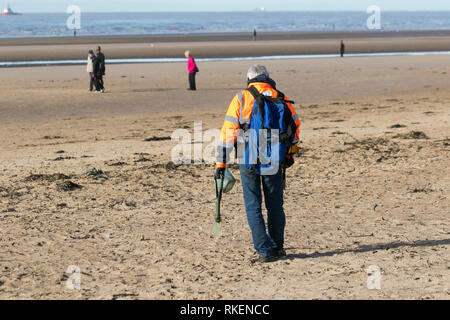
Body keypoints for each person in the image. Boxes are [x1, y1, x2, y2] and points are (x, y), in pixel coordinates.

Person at [215, 65, 301, 263]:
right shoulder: (279, 96)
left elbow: (228, 131)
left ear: (248, 79)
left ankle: (263, 250)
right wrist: (289, 154)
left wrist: (221, 164)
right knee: (275, 205)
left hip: (248, 155)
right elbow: (295, 127)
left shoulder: (241, 98)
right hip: (274, 155)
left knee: (253, 205)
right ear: (267, 77)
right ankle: (278, 248)